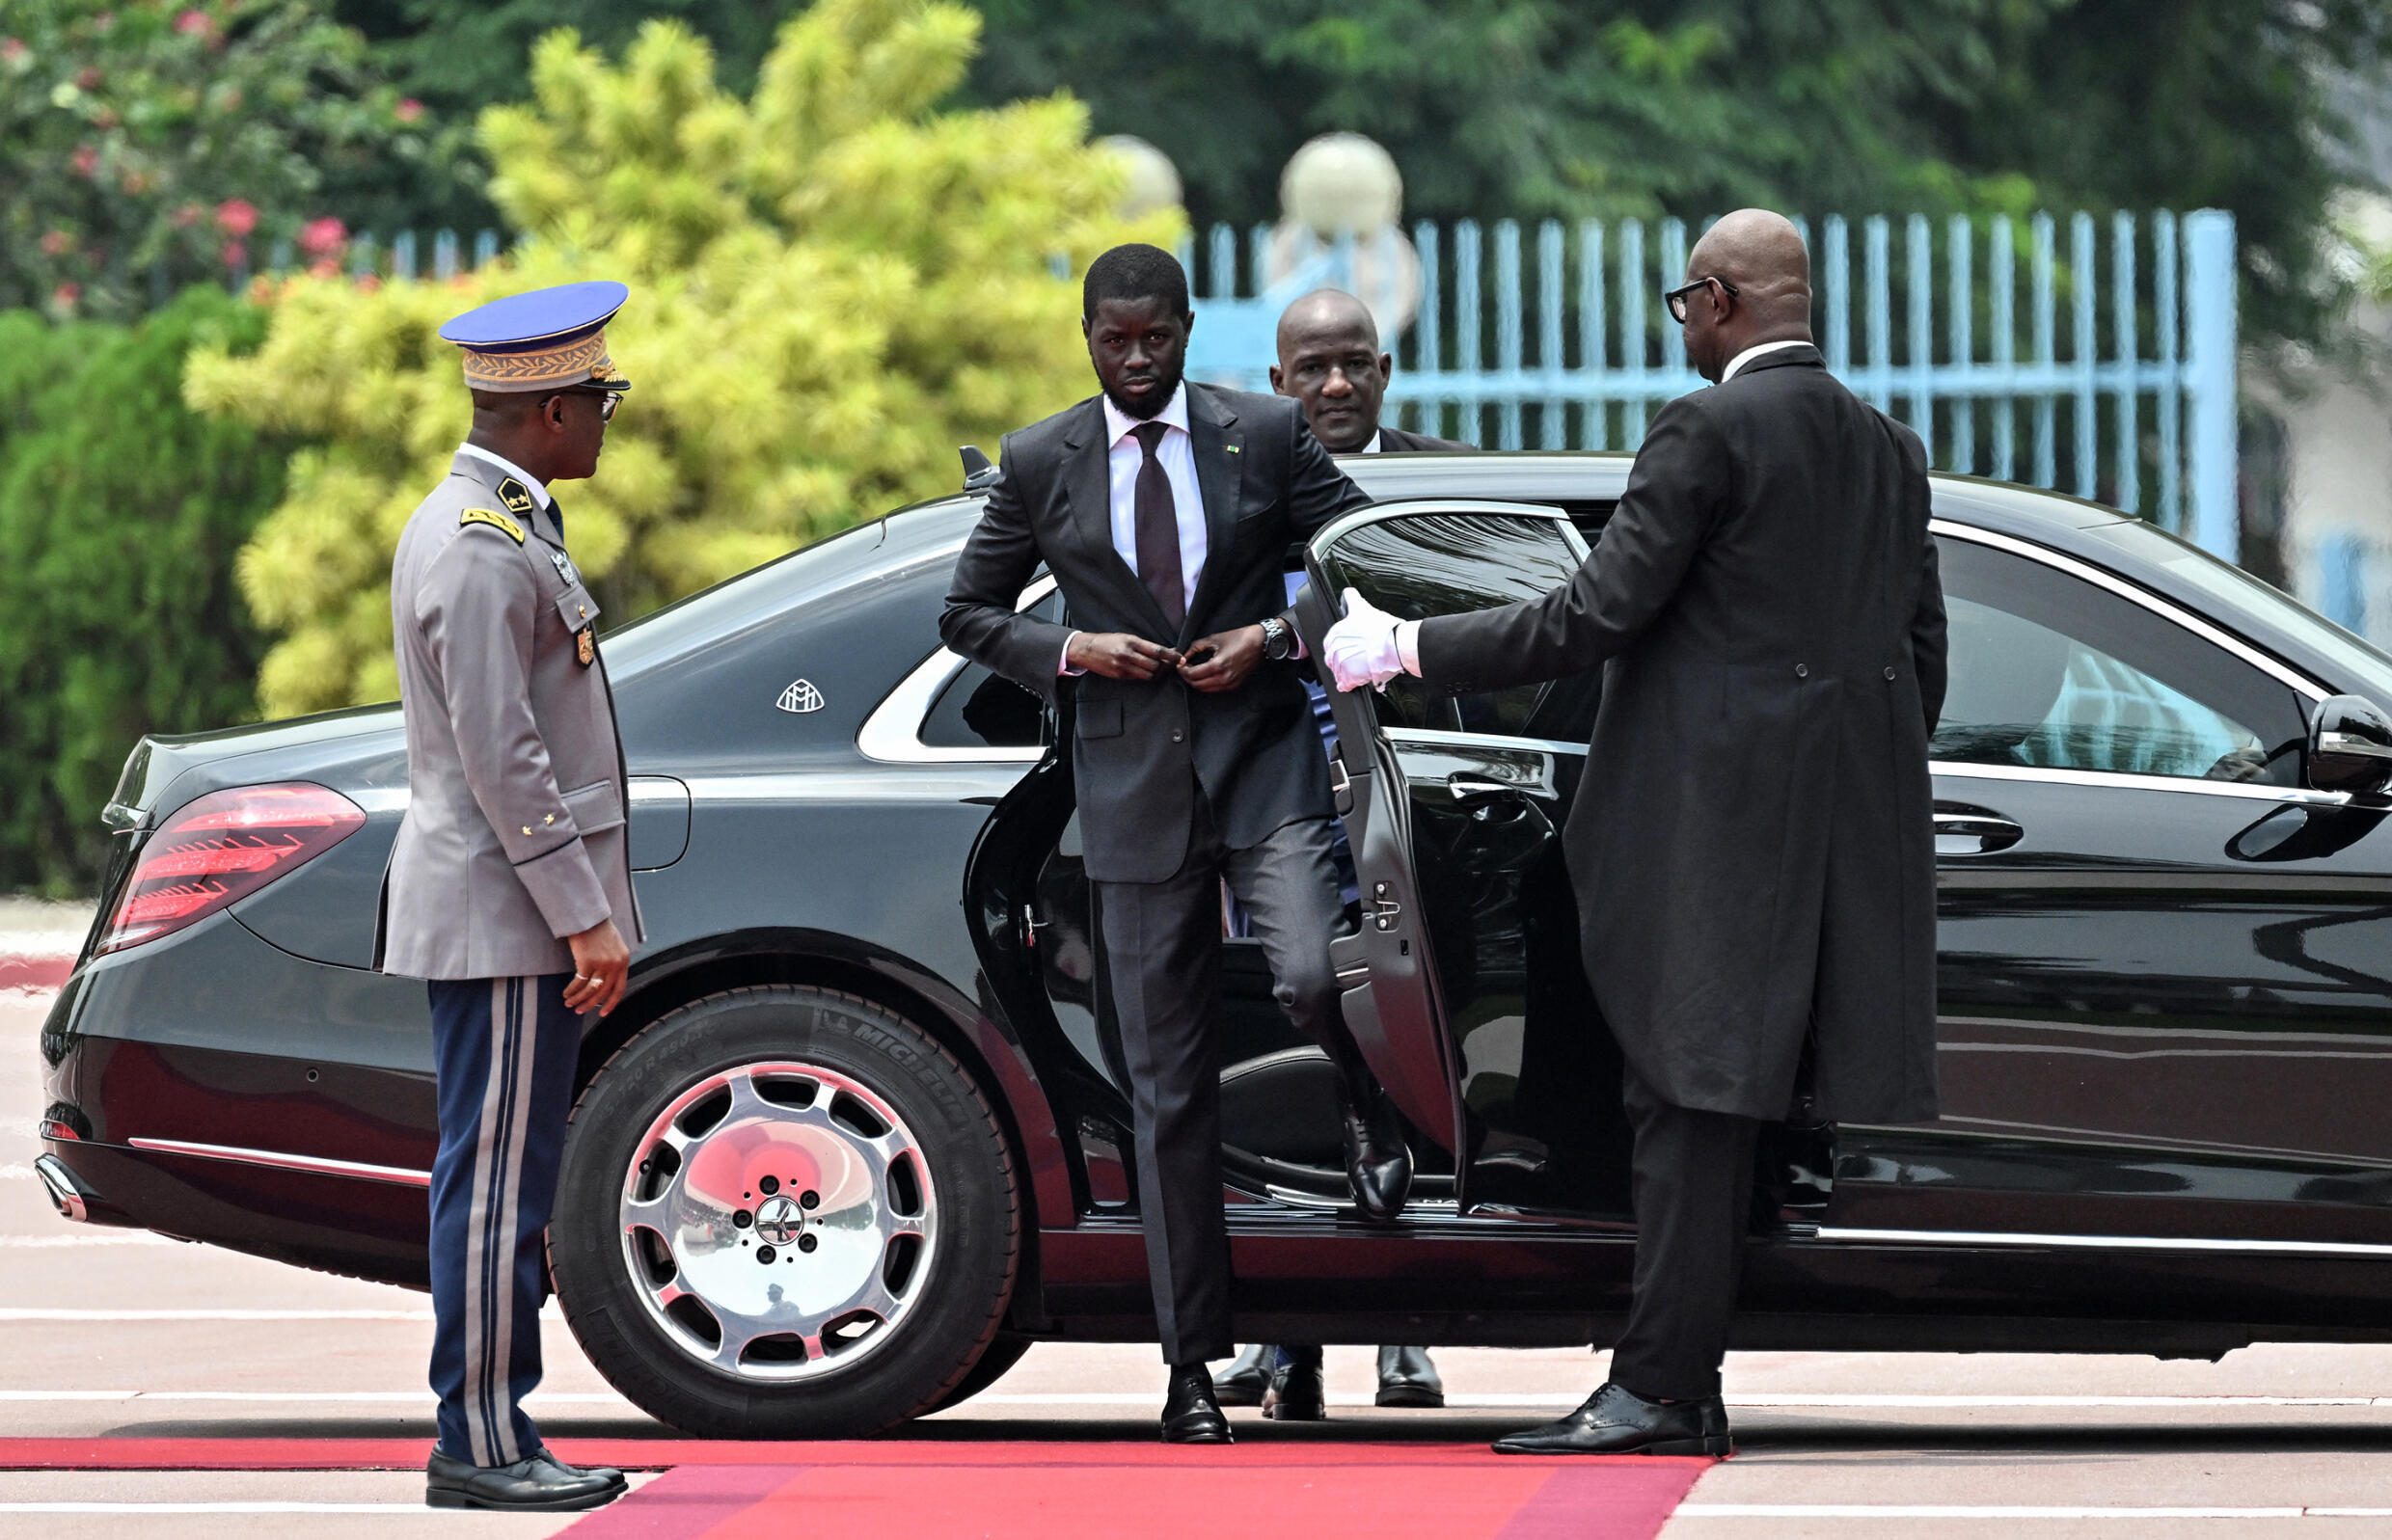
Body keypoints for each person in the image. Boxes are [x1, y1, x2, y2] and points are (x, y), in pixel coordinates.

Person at [1324, 209, 1945, 1457]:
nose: (1682, 327)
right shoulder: (1891, 449)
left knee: (1680, 1106)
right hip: (1833, 846)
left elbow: (1591, 614)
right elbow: (1919, 658)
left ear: (1715, 300)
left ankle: (1657, 1391)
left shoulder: (1705, 428)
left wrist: (1404, 647)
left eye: (1683, 304)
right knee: (1718, 1117)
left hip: (1706, 840)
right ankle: (1680, 1382)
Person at [941, 245, 1414, 1445]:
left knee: (1312, 968)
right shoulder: (1042, 459)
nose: (1137, 359)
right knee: (1167, 1094)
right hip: (1131, 791)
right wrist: (1071, 650)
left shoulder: (1262, 432)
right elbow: (965, 613)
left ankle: (1365, 1100)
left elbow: (1363, 563)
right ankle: (1190, 1366)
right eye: (1116, 340)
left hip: (1262, 764)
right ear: (1088, 336)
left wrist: (1269, 632)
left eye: (1157, 338)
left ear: (1188, 329)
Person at [382, 281, 639, 1511]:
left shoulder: (497, 520)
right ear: (545, 412)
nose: (606, 419)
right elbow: (503, 752)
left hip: (503, 906)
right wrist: (578, 908)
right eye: (598, 399)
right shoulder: (480, 545)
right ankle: (480, 1438)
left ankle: (491, 1424)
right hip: (504, 912)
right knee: (493, 1185)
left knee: (498, 1174)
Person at [1213, 287, 1463, 1420]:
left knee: (1412, 1030)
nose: (1332, 385)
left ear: (1385, 369)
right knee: (1296, 1023)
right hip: (1280, 797)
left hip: (1409, 803)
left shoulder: (1445, 481)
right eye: (1309, 366)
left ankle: (1396, 1334)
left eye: (1352, 363)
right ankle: (1287, 1343)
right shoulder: (1244, 482)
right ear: (1277, 381)